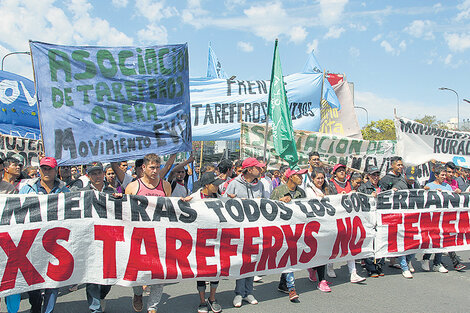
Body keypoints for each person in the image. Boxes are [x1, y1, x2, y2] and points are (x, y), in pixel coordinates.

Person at [19, 157, 69, 313]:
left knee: (53, 282)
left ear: (56, 171)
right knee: (33, 282)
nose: (46, 172)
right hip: (33, 241)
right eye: (44, 169)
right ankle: (35, 305)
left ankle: (48, 311)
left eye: (50, 169)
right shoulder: (27, 189)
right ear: (39, 170)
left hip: (55, 242)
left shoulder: (64, 190)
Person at [125, 153, 170, 313]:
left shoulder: (165, 186)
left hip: (159, 237)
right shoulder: (132, 187)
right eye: (152, 167)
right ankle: (138, 294)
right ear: (143, 168)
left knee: (160, 273)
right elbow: (125, 211)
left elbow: (169, 208)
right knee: (138, 272)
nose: (155, 171)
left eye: (158, 167)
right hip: (138, 237)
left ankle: (153, 307)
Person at [225, 157, 266, 308]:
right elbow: (224, 204)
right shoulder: (234, 184)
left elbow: (266, 204)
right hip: (239, 231)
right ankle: (238, 293)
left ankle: (248, 292)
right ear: (249, 170)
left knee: (252, 261)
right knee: (241, 262)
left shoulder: (260, 184)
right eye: (258, 167)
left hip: (255, 229)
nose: (261, 170)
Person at [77, 162, 115, 312]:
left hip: (109, 240)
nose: (97, 176)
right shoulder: (81, 193)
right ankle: (95, 308)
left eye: (99, 173)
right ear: (88, 176)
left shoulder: (112, 192)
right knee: (92, 275)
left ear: (104, 173)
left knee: (109, 277)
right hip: (90, 240)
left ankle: (101, 296)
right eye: (93, 173)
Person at [189, 172, 224, 313]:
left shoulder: (219, 197)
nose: (217, 187)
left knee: (216, 269)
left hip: (217, 239)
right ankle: (202, 301)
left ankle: (213, 298)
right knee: (202, 271)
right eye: (214, 184)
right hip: (200, 240)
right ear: (206, 185)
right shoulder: (194, 199)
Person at [271, 168, 307, 301]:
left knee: (290, 257)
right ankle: (291, 288)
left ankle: (283, 283)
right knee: (289, 256)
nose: (301, 178)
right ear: (290, 177)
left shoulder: (301, 192)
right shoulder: (278, 191)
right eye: (298, 176)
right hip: (282, 229)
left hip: (296, 229)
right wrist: (279, 202)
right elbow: (269, 210)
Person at [328, 163, 365, 283]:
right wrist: (338, 197)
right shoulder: (331, 185)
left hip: (349, 218)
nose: (342, 172)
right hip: (336, 219)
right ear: (335, 173)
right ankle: (330, 266)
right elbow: (328, 200)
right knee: (335, 244)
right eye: (339, 171)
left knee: (350, 244)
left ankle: (353, 272)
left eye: (343, 170)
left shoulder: (349, 184)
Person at [304, 167, 333, 291]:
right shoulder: (309, 190)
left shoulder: (328, 188)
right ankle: (319, 276)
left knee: (324, 251)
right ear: (313, 179)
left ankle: (317, 274)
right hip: (315, 224)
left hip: (327, 224)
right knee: (318, 251)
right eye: (318, 178)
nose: (320, 180)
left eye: (322, 178)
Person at [421, 166, 451, 274]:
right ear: (436, 175)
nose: (444, 177)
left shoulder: (447, 186)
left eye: (445, 175)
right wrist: (429, 190)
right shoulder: (430, 185)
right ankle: (426, 258)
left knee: (441, 240)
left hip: (444, 218)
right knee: (432, 239)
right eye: (442, 175)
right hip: (432, 218)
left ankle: (437, 263)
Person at [358, 166, 385, 277]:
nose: (375, 177)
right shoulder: (363, 188)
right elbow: (360, 203)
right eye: (373, 175)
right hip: (368, 219)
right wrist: (370, 197)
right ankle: (370, 267)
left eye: (377, 175)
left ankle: (379, 265)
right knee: (370, 243)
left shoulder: (382, 187)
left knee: (381, 242)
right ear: (368, 176)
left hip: (380, 219)